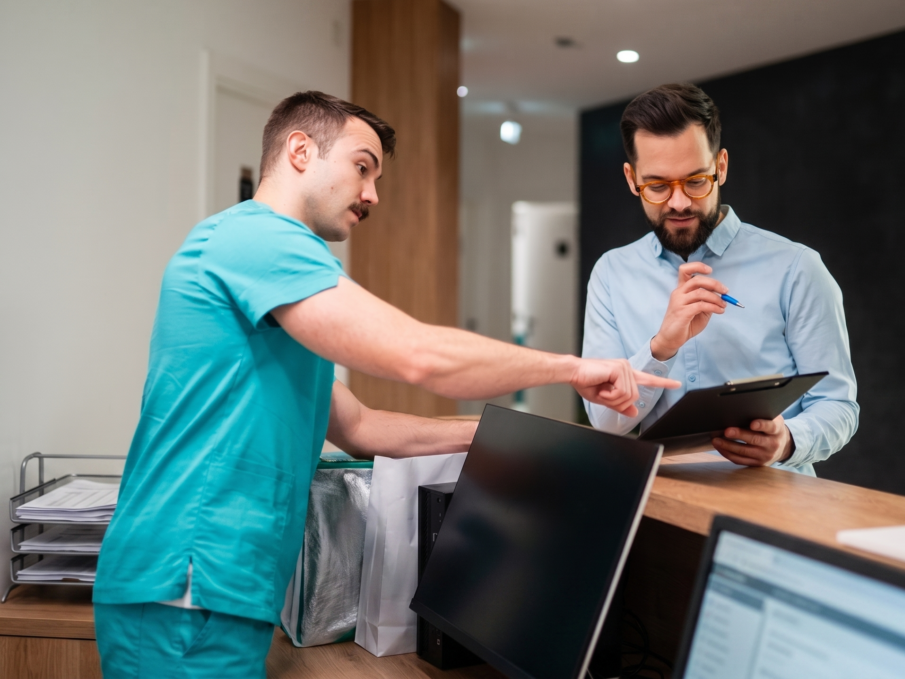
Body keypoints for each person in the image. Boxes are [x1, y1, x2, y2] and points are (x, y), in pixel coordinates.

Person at [92, 91, 677, 678]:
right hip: (187, 583)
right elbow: (418, 355)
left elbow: (361, 429)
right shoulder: (258, 241)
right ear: (300, 151)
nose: (372, 193)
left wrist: (511, 436)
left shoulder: (268, 278)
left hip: (221, 586)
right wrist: (572, 369)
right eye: (362, 167)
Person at [583, 83, 858, 474]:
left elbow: (839, 404)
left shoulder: (797, 268)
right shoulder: (611, 274)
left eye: (695, 181)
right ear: (632, 179)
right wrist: (661, 348)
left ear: (721, 167)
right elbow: (606, 421)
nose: (678, 202)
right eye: (658, 186)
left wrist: (787, 441)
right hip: (660, 505)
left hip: (772, 511)